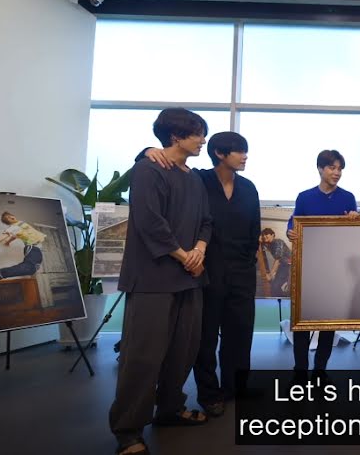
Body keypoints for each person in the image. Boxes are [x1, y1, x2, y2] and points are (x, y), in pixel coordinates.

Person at [109, 108, 212, 455]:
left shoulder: (194, 178)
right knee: (142, 357)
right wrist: (184, 256)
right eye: (197, 133)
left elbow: (206, 221)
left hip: (190, 279)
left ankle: (169, 409)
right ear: (176, 136)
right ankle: (128, 431)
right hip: (153, 279)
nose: (202, 140)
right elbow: (149, 222)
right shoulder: (148, 169)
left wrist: (199, 249)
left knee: (183, 352)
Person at [140, 131, 262, 419]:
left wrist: (247, 264)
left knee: (240, 333)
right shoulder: (198, 179)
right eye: (239, 151)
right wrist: (146, 150)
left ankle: (236, 387)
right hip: (205, 270)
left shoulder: (248, 187)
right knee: (204, 337)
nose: (245, 157)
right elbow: (161, 164)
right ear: (220, 153)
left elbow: (254, 229)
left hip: (242, 273)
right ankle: (209, 393)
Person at [286, 150, 360, 377]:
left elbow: (354, 235)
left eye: (340, 169)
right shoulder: (305, 197)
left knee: (328, 321)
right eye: (332, 168)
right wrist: (290, 232)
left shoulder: (347, 197)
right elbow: (294, 222)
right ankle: (300, 369)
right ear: (320, 169)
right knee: (301, 320)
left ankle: (320, 369)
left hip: (336, 268)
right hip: (308, 267)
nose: (337, 172)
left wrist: (356, 219)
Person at [0, 212, 47, 289]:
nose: (10, 217)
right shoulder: (13, 227)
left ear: (13, 216)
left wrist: (8, 242)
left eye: (10, 216)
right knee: (30, 268)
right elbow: (4, 235)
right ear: (9, 222)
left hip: (36, 248)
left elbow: (14, 236)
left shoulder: (21, 223)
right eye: (8, 218)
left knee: (31, 269)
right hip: (33, 247)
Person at [259, 228, 291, 297]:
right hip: (282, 265)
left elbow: (277, 259)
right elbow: (261, 242)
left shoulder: (278, 242)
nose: (264, 236)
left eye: (266, 234)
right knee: (275, 286)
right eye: (263, 235)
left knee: (275, 287)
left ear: (273, 235)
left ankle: (283, 300)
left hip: (289, 266)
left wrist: (270, 275)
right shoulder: (268, 244)